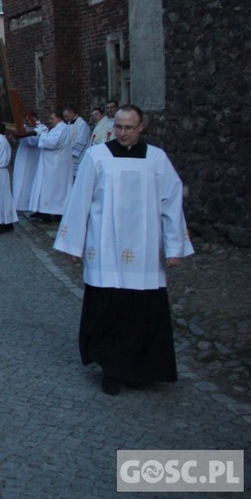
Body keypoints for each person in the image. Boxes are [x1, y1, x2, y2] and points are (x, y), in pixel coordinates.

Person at [53, 104, 194, 396]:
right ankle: (111, 369)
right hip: (106, 246)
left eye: (128, 127)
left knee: (142, 312)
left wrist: (175, 246)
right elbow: (80, 200)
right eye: (118, 126)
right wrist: (72, 243)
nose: (122, 132)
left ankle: (140, 369)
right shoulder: (97, 156)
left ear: (142, 127)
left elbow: (171, 201)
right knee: (109, 310)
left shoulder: (157, 159)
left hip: (145, 250)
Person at [28, 109, 73, 223]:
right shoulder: (57, 128)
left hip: (56, 165)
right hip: (51, 164)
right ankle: (46, 212)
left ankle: (52, 213)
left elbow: (53, 142)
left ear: (59, 118)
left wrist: (42, 133)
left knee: (53, 190)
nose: (50, 120)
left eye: (52, 118)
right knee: (48, 189)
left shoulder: (62, 128)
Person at [11, 115, 41, 212]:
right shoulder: (25, 127)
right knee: (19, 179)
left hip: (33, 159)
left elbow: (33, 141)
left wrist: (24, 134)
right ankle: (19, 204)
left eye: (29, 119)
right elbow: (16, 139)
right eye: (26, 119)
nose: (27, 121)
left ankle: (29, 205)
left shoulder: (41, 128)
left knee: (29, 181)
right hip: (23, 155)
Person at [63, 105, 91, 178]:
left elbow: (81, 141)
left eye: (67, 116)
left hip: (79, 155)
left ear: (72, 113)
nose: (66, 119)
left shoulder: (82, 124)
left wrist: (70, 152)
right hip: (70, 155)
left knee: (79, 175)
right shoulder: (69, 124)